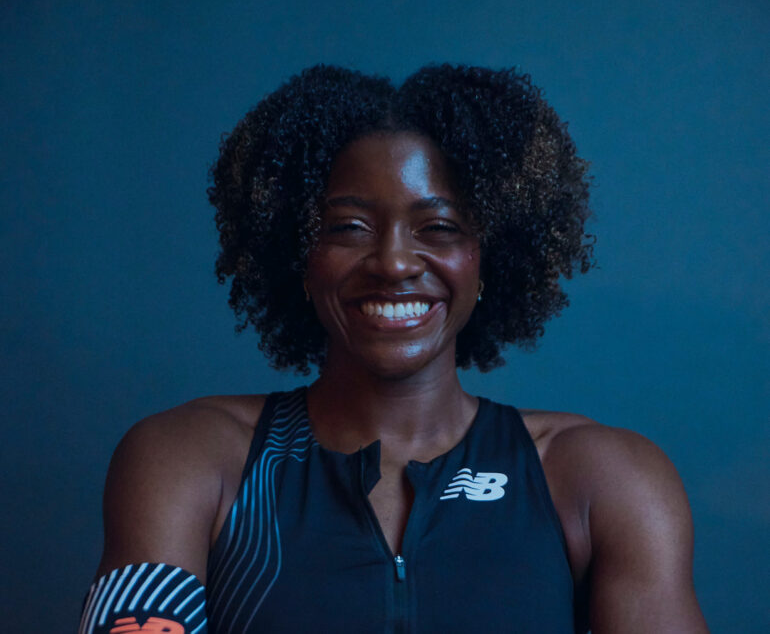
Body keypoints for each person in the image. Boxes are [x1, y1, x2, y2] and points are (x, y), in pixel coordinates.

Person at [79, 64, 708, 633]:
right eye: (348, 228)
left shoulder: (602, 478)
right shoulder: (190, 461)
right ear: (299, 257)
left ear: (488, 259)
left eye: (438, 228)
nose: (394, 262)